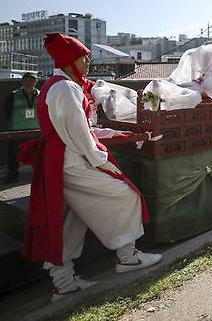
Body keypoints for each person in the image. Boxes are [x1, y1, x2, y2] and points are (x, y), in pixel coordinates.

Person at [18, 33, 161, 302]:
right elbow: (81, 135)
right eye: (84, 58)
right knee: (124, 195)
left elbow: (85, 130)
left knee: (68, 220)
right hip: (71, 159)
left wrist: (122, 136)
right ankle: (127, 258)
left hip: (60, 160)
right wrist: (102, 161)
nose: (87, 63)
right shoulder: (66, 89)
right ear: (70, 61)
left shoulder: (59, 86)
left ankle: (63, 284)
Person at [3, 72, 40, 185]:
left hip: (36, 130)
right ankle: (12, 177)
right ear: (22, 81)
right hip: (18, 130)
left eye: (32, 80)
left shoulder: (41, 95)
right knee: (14, 156)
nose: (29, 82)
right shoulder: (13, 95)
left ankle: (39, 177)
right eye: (27, 80)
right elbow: (6, 111)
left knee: (39, 156)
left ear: (35, 82)